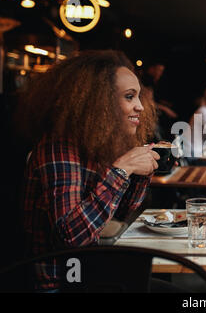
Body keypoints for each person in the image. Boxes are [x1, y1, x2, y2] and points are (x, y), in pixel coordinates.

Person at [15, 50, 160, 291]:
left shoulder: (96, 143)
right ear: (98, 102)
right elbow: (72, 239)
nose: (140, 107)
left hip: (89, 272)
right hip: (61, 284)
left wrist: (140, 173)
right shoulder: (58, 147)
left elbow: (119, 214)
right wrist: (123, 169)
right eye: (129, 97)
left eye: (138, 96)